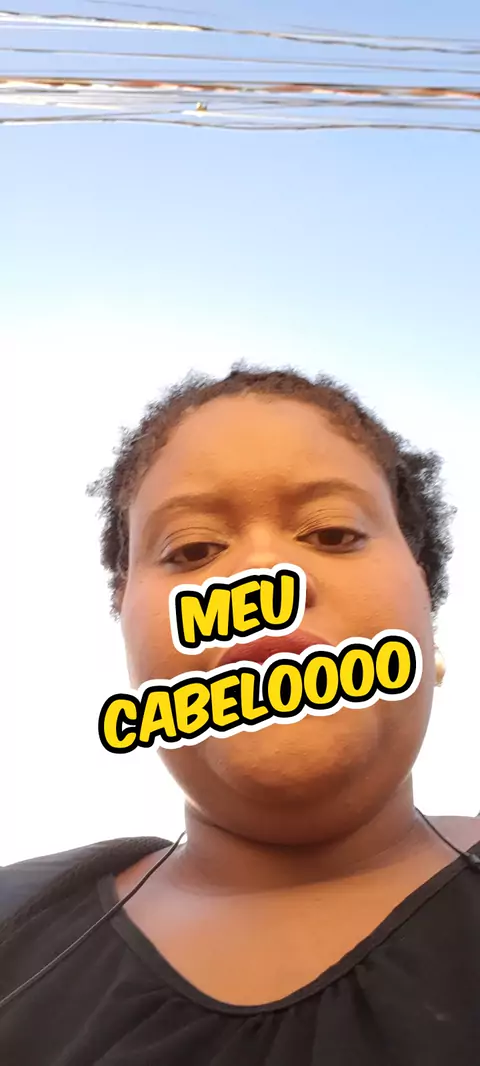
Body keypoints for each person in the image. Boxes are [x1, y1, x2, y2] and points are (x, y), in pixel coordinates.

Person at [0, 364, 479, 1066]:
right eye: (193, 549)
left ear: (426, 608)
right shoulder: (17, 921)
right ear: (125, 621)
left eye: (333, 533)